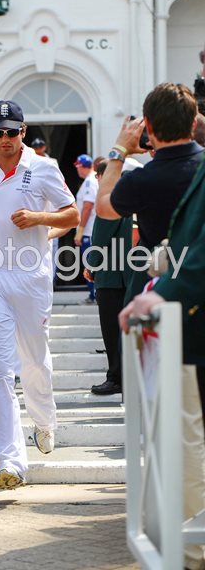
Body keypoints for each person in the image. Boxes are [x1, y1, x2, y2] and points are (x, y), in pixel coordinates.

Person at [0, 100, 79, 489]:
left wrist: (38, 218)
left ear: (23, 132)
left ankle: (44, 422)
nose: (5, 140)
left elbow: (72, 215)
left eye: (12, 132)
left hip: (31, 276)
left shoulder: (44, 168)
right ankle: (10, 462)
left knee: (33, 359)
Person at [119, 159, 205, 570]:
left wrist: (166, 286)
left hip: (189, 320)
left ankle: (191, 546)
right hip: (187, 325)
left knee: (187, 438)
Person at [96, 82, 204, 301]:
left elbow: (104, 208)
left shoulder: (141, 179)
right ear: (193, 124)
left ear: (149, 128)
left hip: (157, 290)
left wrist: (119, 151)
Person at [84, 159, 133, 396]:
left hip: (111, 275)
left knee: (112, 331)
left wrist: (91, 266)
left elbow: (101, 240)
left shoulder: (109, 200)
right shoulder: (131, 197)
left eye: (98, 175)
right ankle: (123, 376)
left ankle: (116, 377)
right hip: (130, 274)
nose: (96, 180)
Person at [74, 154, 98, 303]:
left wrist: (80, 231)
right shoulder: (90, 181)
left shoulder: (90, 182)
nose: (77, 170)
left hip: (88, 232)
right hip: (89, 231)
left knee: (90, 264)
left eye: (78, 167)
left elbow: (88, 207)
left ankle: (94, 295)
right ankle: (93, 295)